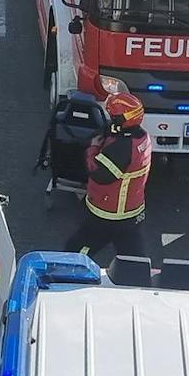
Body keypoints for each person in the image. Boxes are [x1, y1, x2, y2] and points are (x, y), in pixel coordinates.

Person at [63, 92, 151, 263]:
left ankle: (66, 274)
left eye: (112, 115)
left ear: (121, 119)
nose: (110, 117)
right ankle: (139, 285)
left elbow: (99, 173)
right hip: (132, 213)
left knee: (76, 251)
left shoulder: (121, 148)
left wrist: (92, 149)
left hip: (107, 215)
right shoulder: (141, 137)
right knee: (133, 261)